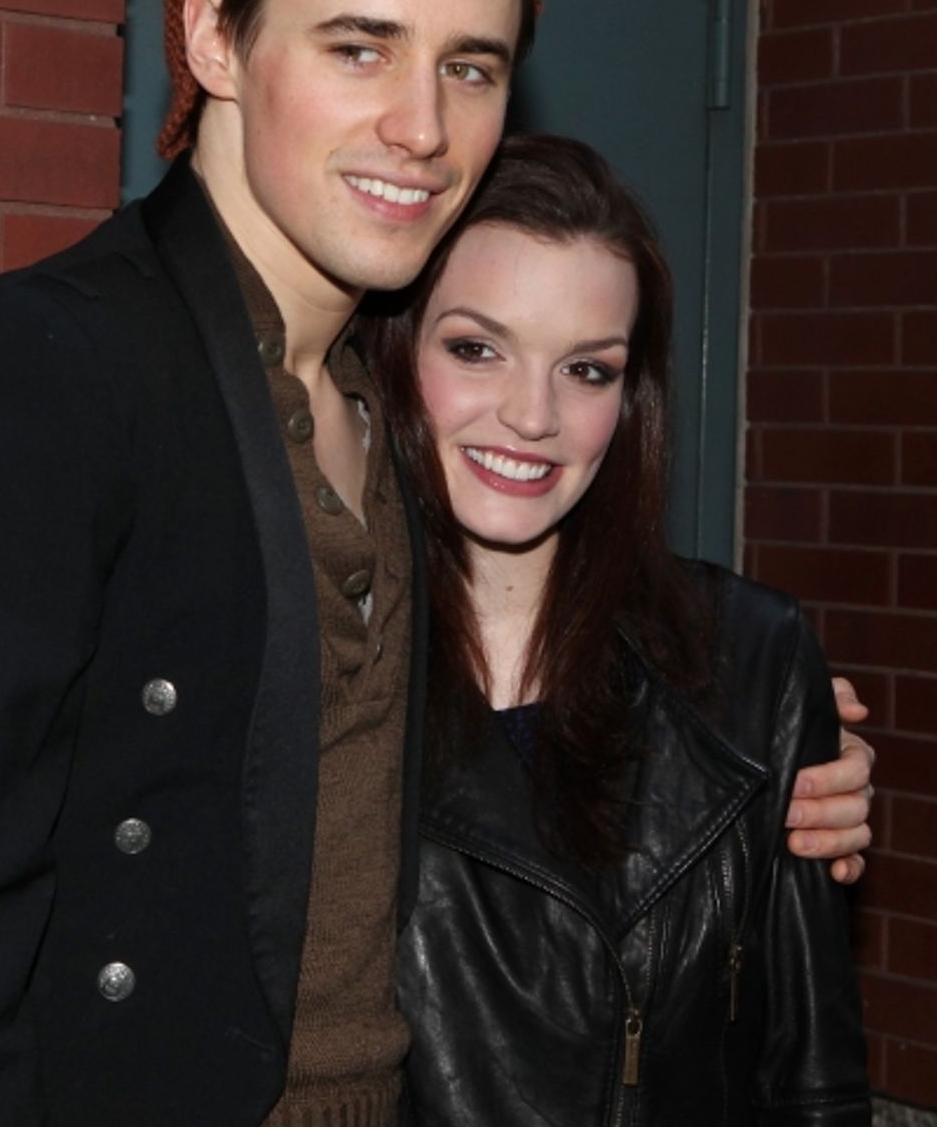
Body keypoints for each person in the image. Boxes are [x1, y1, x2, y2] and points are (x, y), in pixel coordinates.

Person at [0, 0, 871, 1127]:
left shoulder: (383, 412)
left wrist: (778, 755)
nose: (421, 124)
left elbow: (534, 686)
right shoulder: (44, 374)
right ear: (215, 38)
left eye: (471, 67)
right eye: (361, 47)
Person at [363, 134, 870, 1124]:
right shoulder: (305, 656)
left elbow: (812, 1082)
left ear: (629, 398)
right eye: (476, 348)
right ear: (395, 350)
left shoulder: (753, 660)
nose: (533, 414)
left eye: (587, 370)